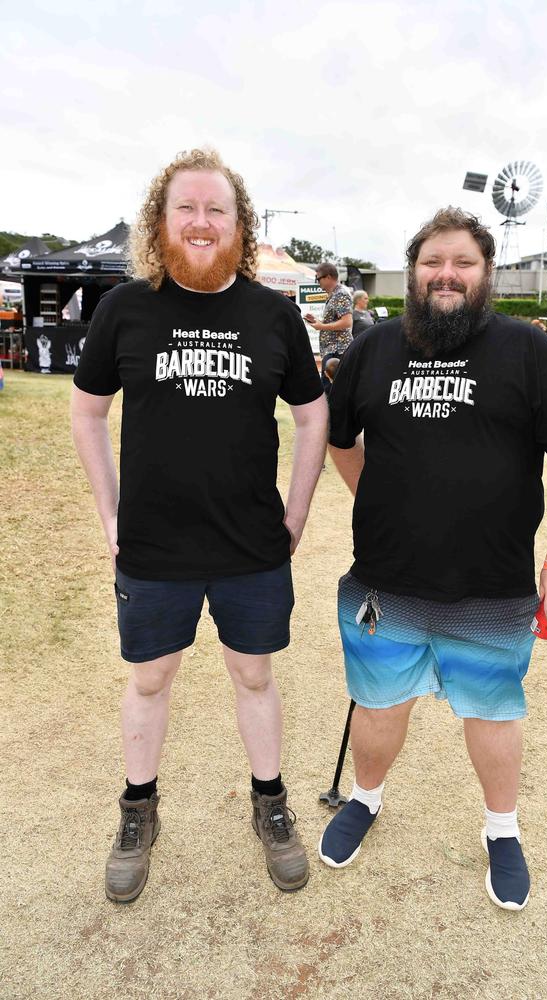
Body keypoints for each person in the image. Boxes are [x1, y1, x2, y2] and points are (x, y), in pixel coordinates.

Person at [318, 207, 547, 911]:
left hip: (492, 589)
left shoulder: (530, 353)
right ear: (414, 273)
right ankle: (365, 797)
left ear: (486, 275)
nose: (446, 274)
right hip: (385, 582)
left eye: (462, 263)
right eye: (432, 263)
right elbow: (340, 437)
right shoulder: (373, 348)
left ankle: (501, 830)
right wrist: (375, 497)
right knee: (378, 707)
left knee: (493, 715)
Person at [71, 147, 328, 902]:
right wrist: (111, 514)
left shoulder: (273, 314)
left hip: (251, 545)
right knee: (151, 679)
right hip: (154, 546)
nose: (202, 221)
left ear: (240, 225)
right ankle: (138, 811)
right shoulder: (126, 307)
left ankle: (270, 803)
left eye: (218, 209)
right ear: (161, 220)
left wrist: (298, 509)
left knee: (253, 672)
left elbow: (313, 417)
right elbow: (87, 415)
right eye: (186, 207)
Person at [304, 263, 352, 394]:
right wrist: (316, 322)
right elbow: (337, 321)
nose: (317, 282)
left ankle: (331, 414)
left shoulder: (340, 294)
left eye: (318, 278)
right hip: (333, 350)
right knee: (329, 389)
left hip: (337, 350)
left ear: (329, 277)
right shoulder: (334, 295)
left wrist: (322, 326)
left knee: (330, 390)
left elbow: (347, 322)